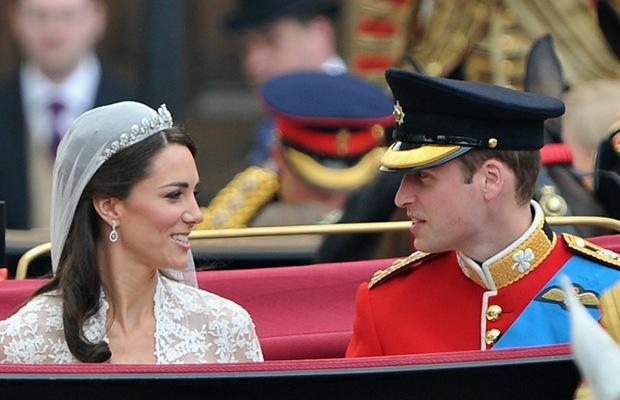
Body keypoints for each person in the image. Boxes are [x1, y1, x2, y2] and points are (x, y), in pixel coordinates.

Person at [346, 68, 620, 357]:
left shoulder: (612, 293)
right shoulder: (385, 304)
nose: (401, 198)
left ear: (490, 179)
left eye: (423, 177)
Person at [0, 102, 263, 364]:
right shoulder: (22, 341)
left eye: (193, 194)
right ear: (110, 207)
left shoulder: (226, 329)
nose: (196, 215)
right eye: (174, 195)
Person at [0, 0, 137, 229]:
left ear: (99, 18)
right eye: (39, 16)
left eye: (69, 16)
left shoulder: (135, 108)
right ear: (14, 18)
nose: (54, 30)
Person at [196, 71, 394, 229]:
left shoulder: (398, 209)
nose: (336, 200)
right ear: (278, 154)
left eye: (352, 184)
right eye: (318, 186)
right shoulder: (244, 211)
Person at [225, 0, 346, 165]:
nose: (253, 62)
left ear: (319, 36)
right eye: (246, 48)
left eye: (270, 40)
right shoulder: (272, 126)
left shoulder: (361, 123)